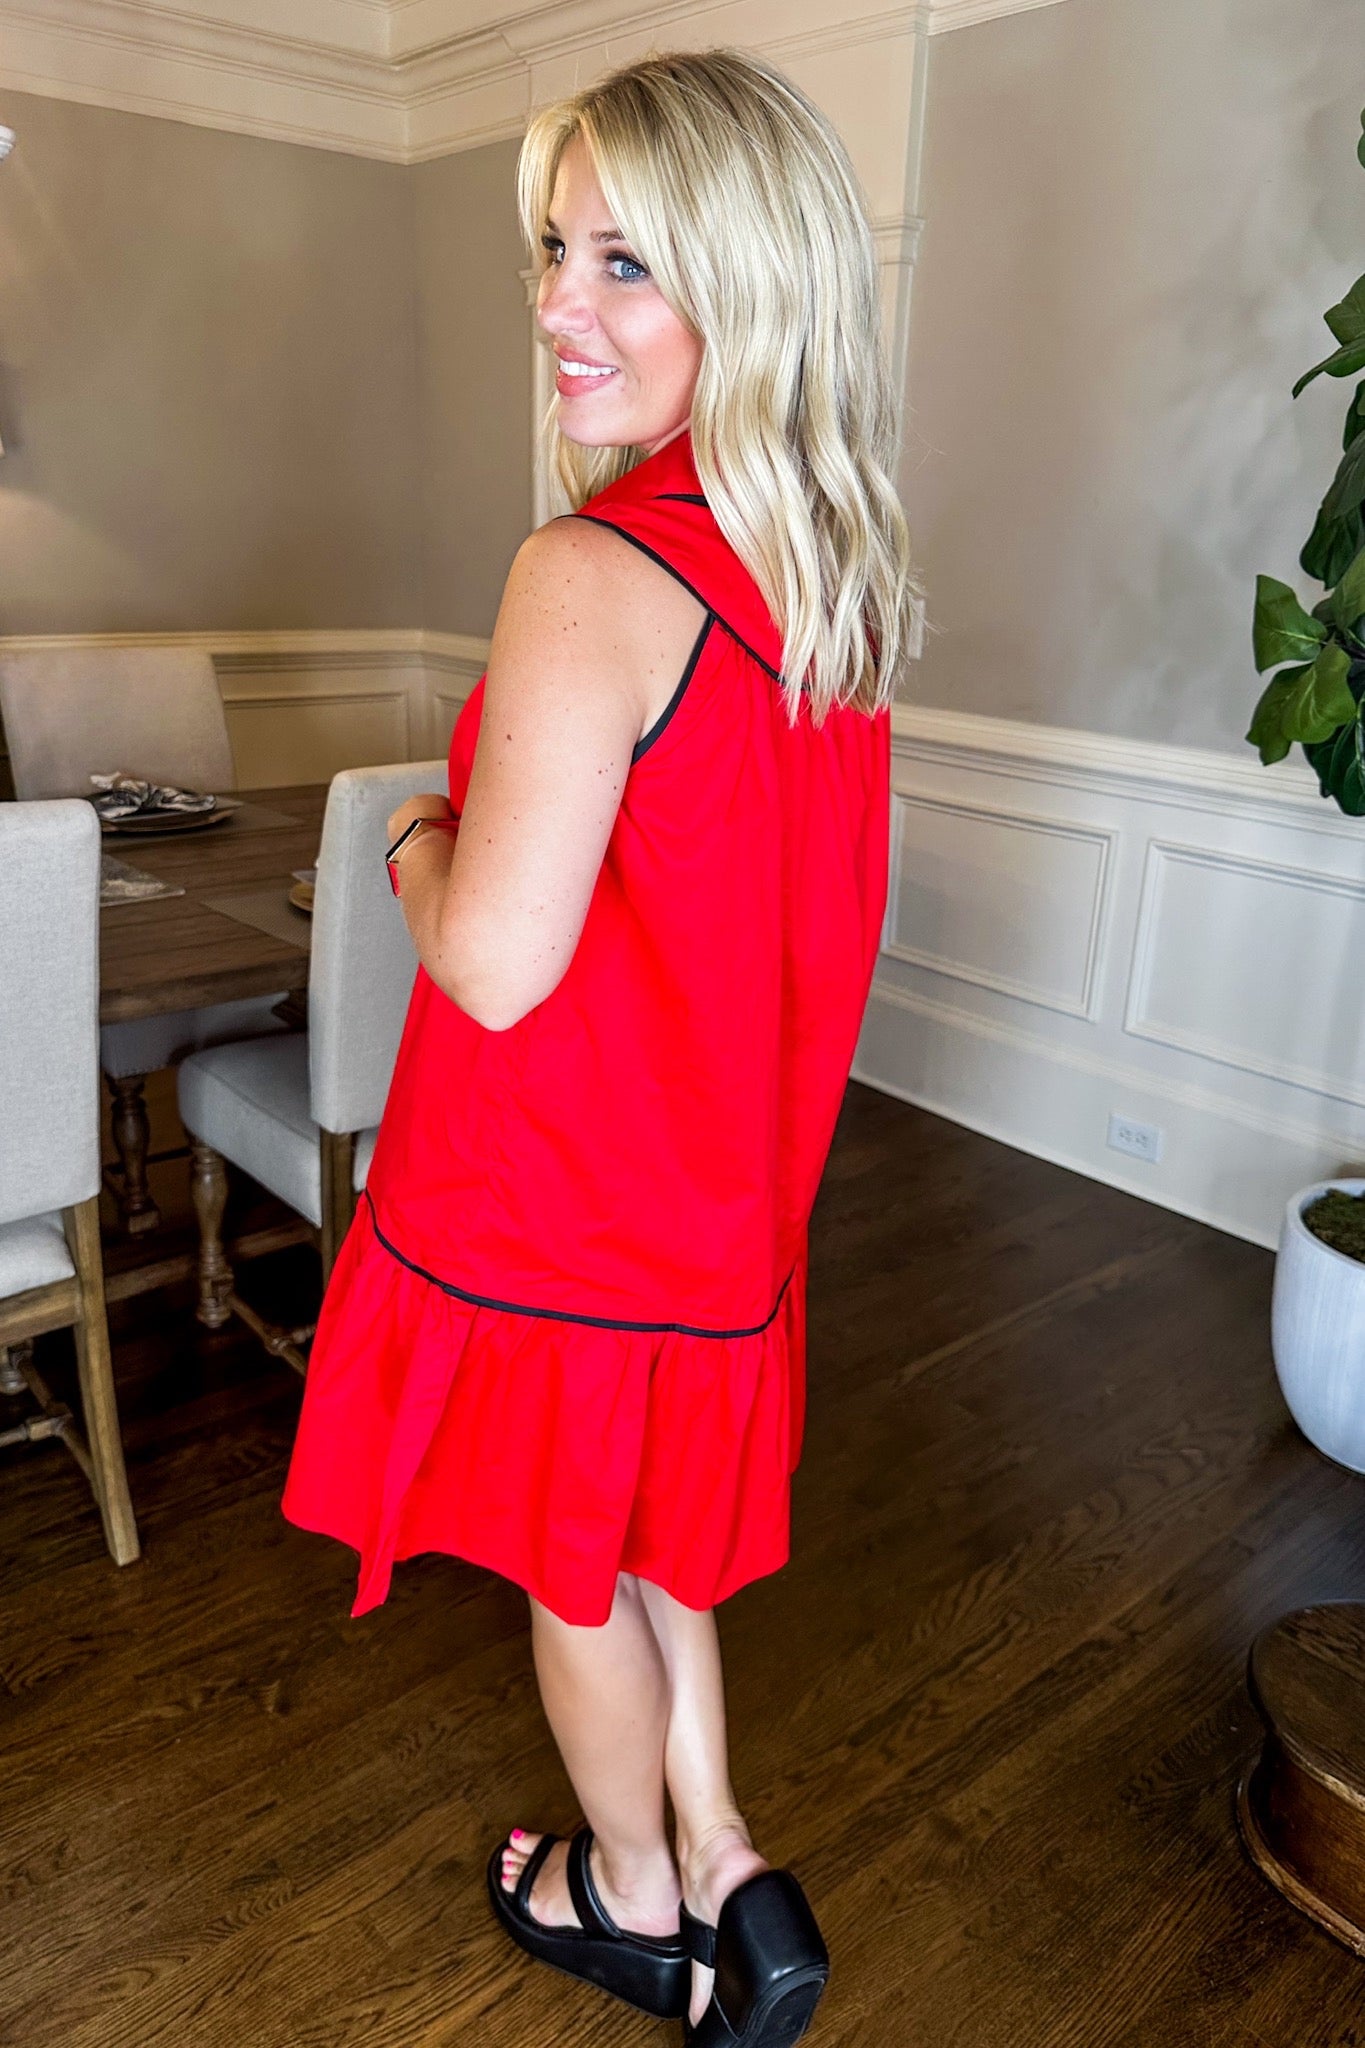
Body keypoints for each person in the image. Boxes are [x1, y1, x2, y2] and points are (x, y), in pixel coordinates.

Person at [281, 45, 916, 2047]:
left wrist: (406, 829)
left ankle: (630, 1898)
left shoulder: (587, 574)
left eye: (624, 261)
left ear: (751, 288)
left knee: (576, 1581)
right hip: (716, 1209)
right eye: (552, 251)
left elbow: (483, 960)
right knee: (660, 1551)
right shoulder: (820, 583)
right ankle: (725, 1843)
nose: (558, 304)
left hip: (554, 1207)